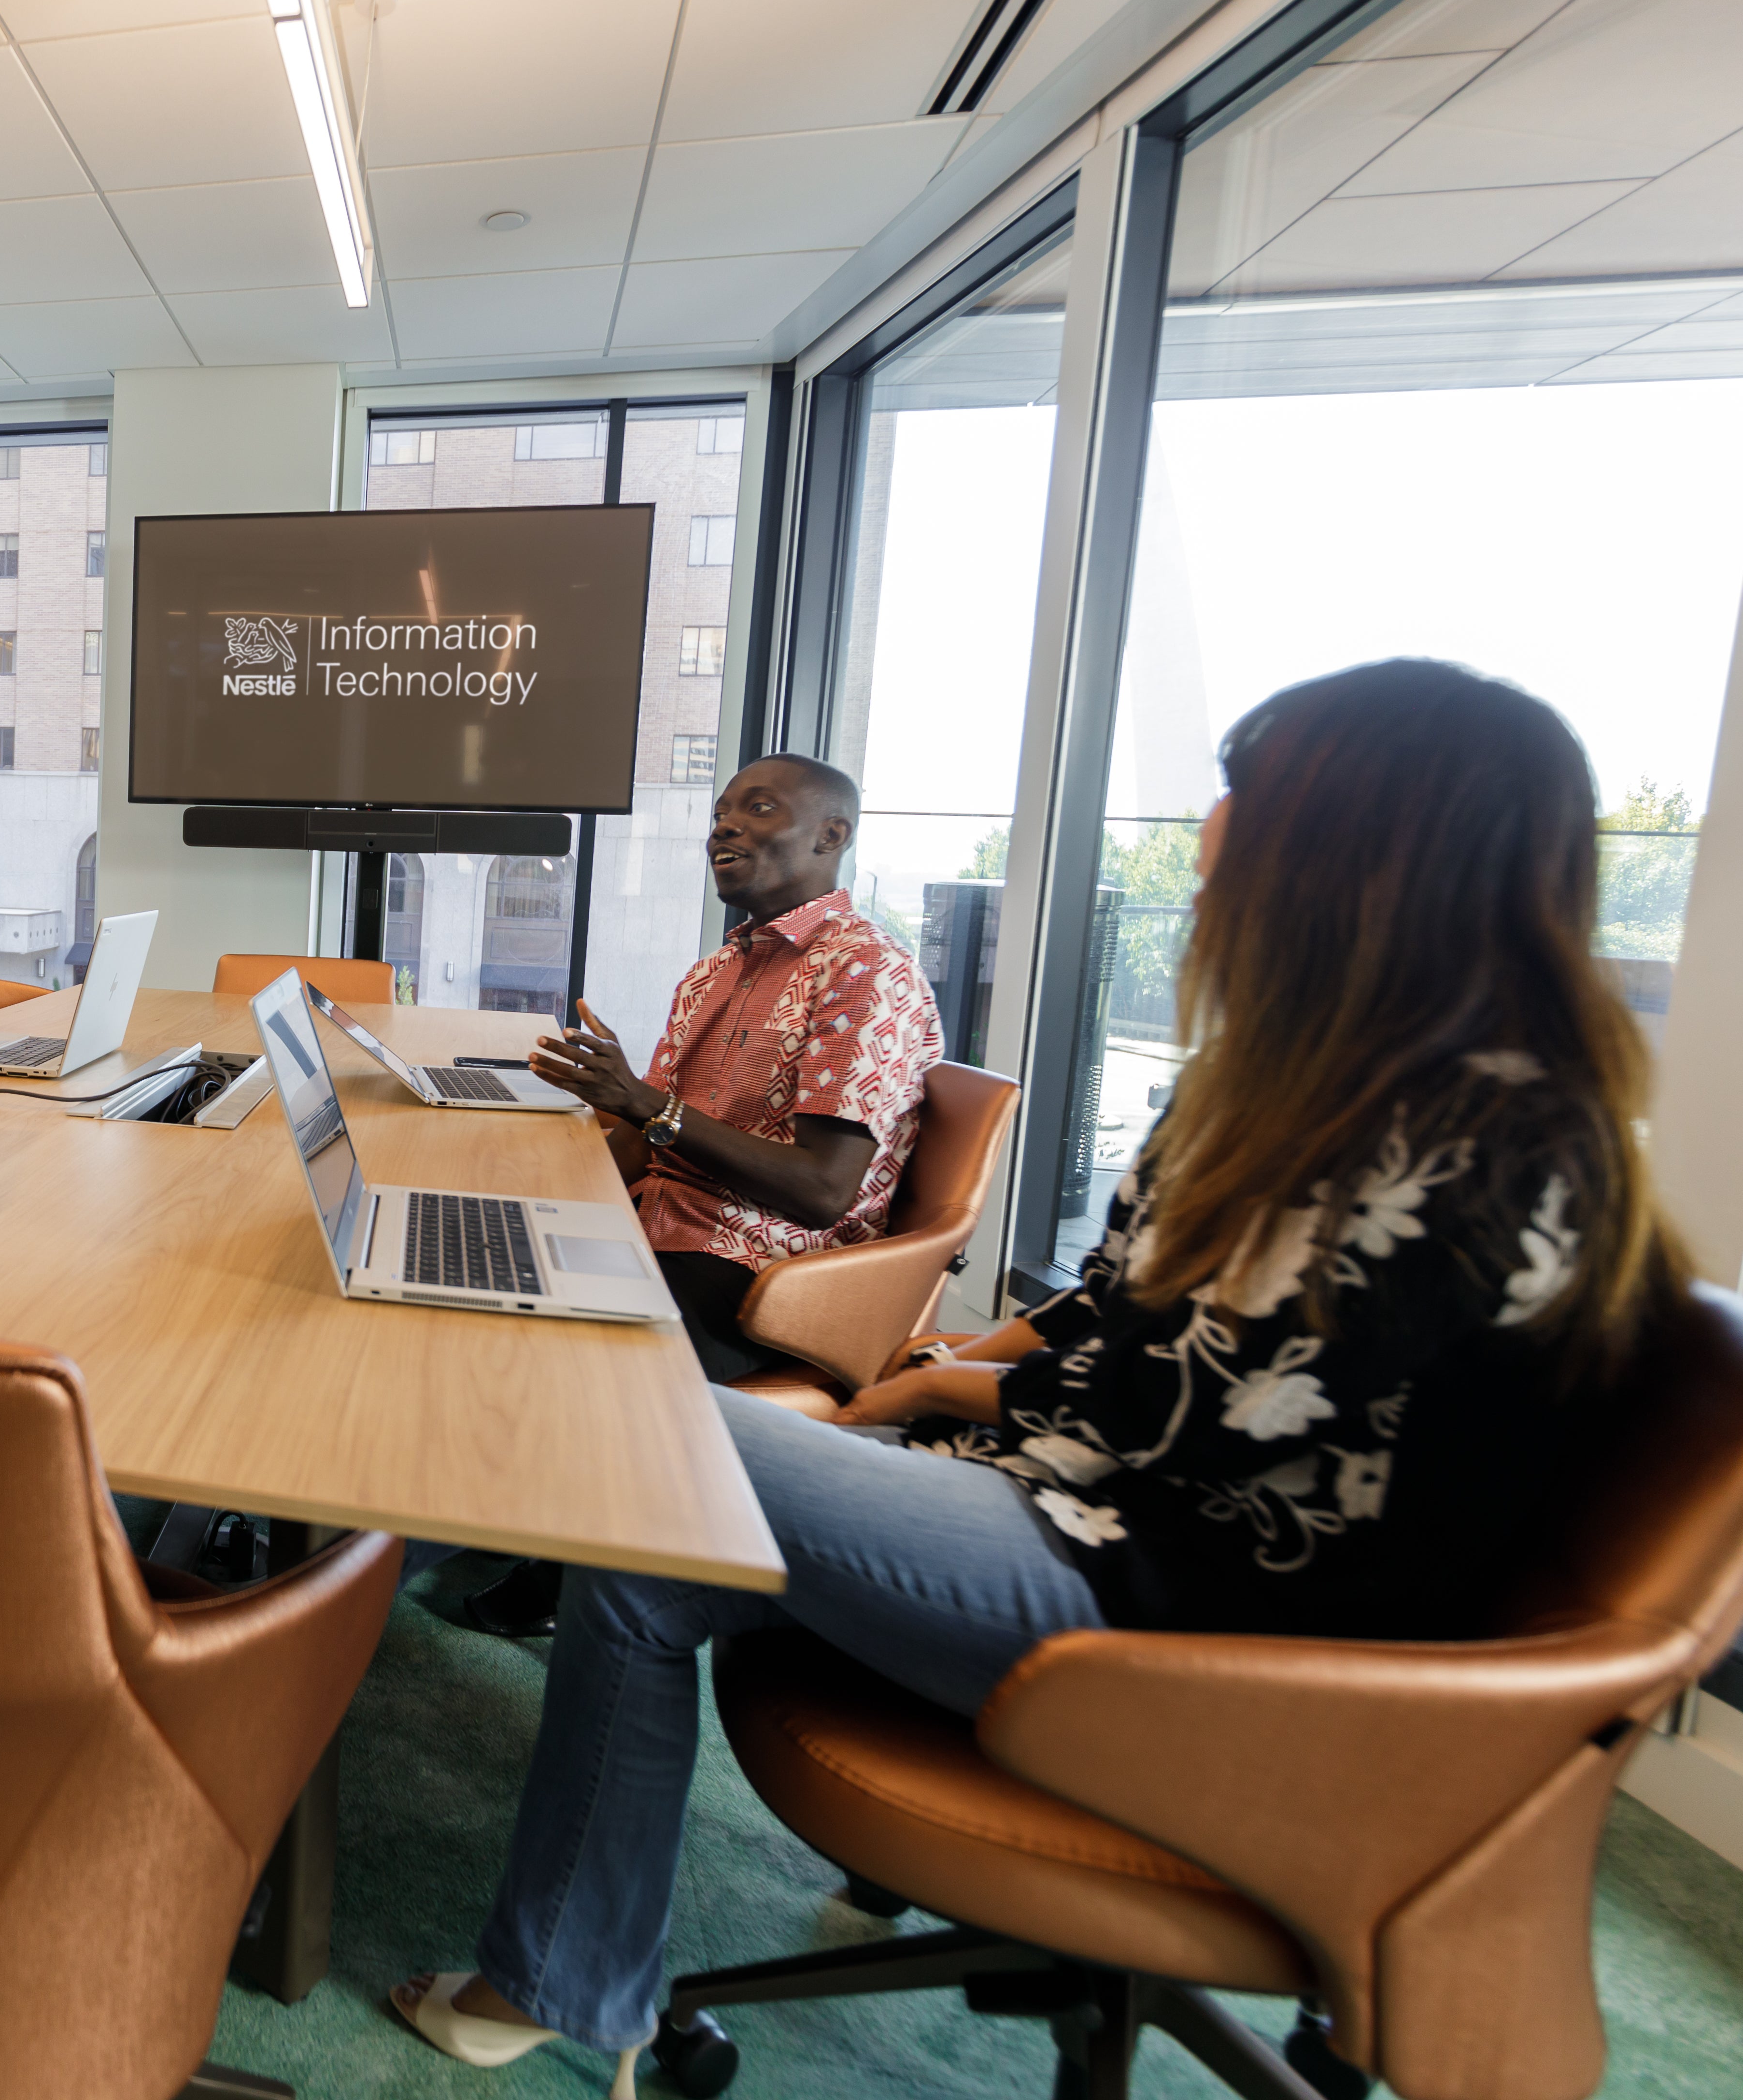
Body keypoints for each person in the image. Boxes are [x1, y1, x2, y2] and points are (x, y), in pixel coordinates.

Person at [390, 659, 1685, 2094]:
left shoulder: (1488, 1137)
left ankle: (555, 1963)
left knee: (645, 1441)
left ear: (1362, 869)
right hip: (1088, 1519)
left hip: (1189, 1618)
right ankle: (567, 1973)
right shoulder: (1292, 1084)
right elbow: (1114, 1320)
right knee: (647, 1542)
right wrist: (936, 1394)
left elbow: (1188, 1413)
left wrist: (937, 1393)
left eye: (1233, 847)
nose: (1198, 886)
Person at [460, 755, 941, 1635]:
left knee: (561, 1342)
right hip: (664, 1222)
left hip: (765, 1267)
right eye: (720, 812)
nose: (723, 826)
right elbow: (650, 1139)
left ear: (832, 836)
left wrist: (646, 1104)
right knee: (463, 1279)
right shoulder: (712, 974)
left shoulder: (868, 974)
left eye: (757, 809)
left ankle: (571, 1567)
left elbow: (824, 1192)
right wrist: (512, 1190)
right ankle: (500, 1507)